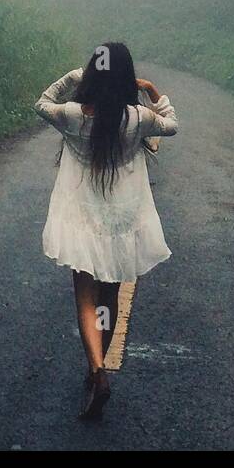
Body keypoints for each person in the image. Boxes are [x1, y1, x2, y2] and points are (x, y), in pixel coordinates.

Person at [34, 41, 178, 420]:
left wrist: (76, 76)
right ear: (127, 77)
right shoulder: (137, 118)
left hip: (83, 217)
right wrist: (152, 92)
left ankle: (98, 370)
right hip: (121, 219)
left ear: (94, 73)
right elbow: (172, 126)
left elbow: (42, 102)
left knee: (84, 291)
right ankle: (96, 368)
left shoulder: (73, 115)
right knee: (109, 294)